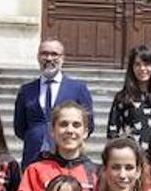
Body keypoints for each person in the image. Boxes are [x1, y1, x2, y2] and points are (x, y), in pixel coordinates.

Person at [16, 101, 100, 191]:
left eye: (76, 125)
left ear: (85, 132)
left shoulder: (97, 174)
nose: (69, 130)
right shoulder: (35, 171)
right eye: (63, 124)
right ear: (52, 130)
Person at [14, 38, 95, 167]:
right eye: (44, 53)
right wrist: (37, 135)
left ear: (63, 58)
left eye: (54, 54)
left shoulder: (78, 89)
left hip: (67, 158)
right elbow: (19, 128)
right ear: (38, 57)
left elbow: (88, 124)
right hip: (33, 157)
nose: (49, 58)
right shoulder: (26, 90)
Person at [107, 44, 151, 150]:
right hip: (132, 158)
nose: (142, 69)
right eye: (137, 64)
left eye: (146, 64)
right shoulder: (122, 98)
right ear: (131, 68)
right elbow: (113, 132)